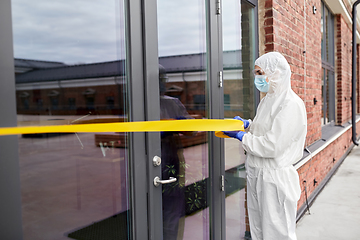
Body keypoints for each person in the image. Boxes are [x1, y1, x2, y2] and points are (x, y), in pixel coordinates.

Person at [224, 52, 307, 240]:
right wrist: (248, 125)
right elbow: (265, 128)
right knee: (258, 229)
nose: (257, 78)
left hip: (274, 180)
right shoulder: (267, 100)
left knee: (277, 233)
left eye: (260, 72)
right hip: (257, 173)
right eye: (256, 73)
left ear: (275, 73)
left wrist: (242, 137)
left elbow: (272, 145)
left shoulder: (290, 104)